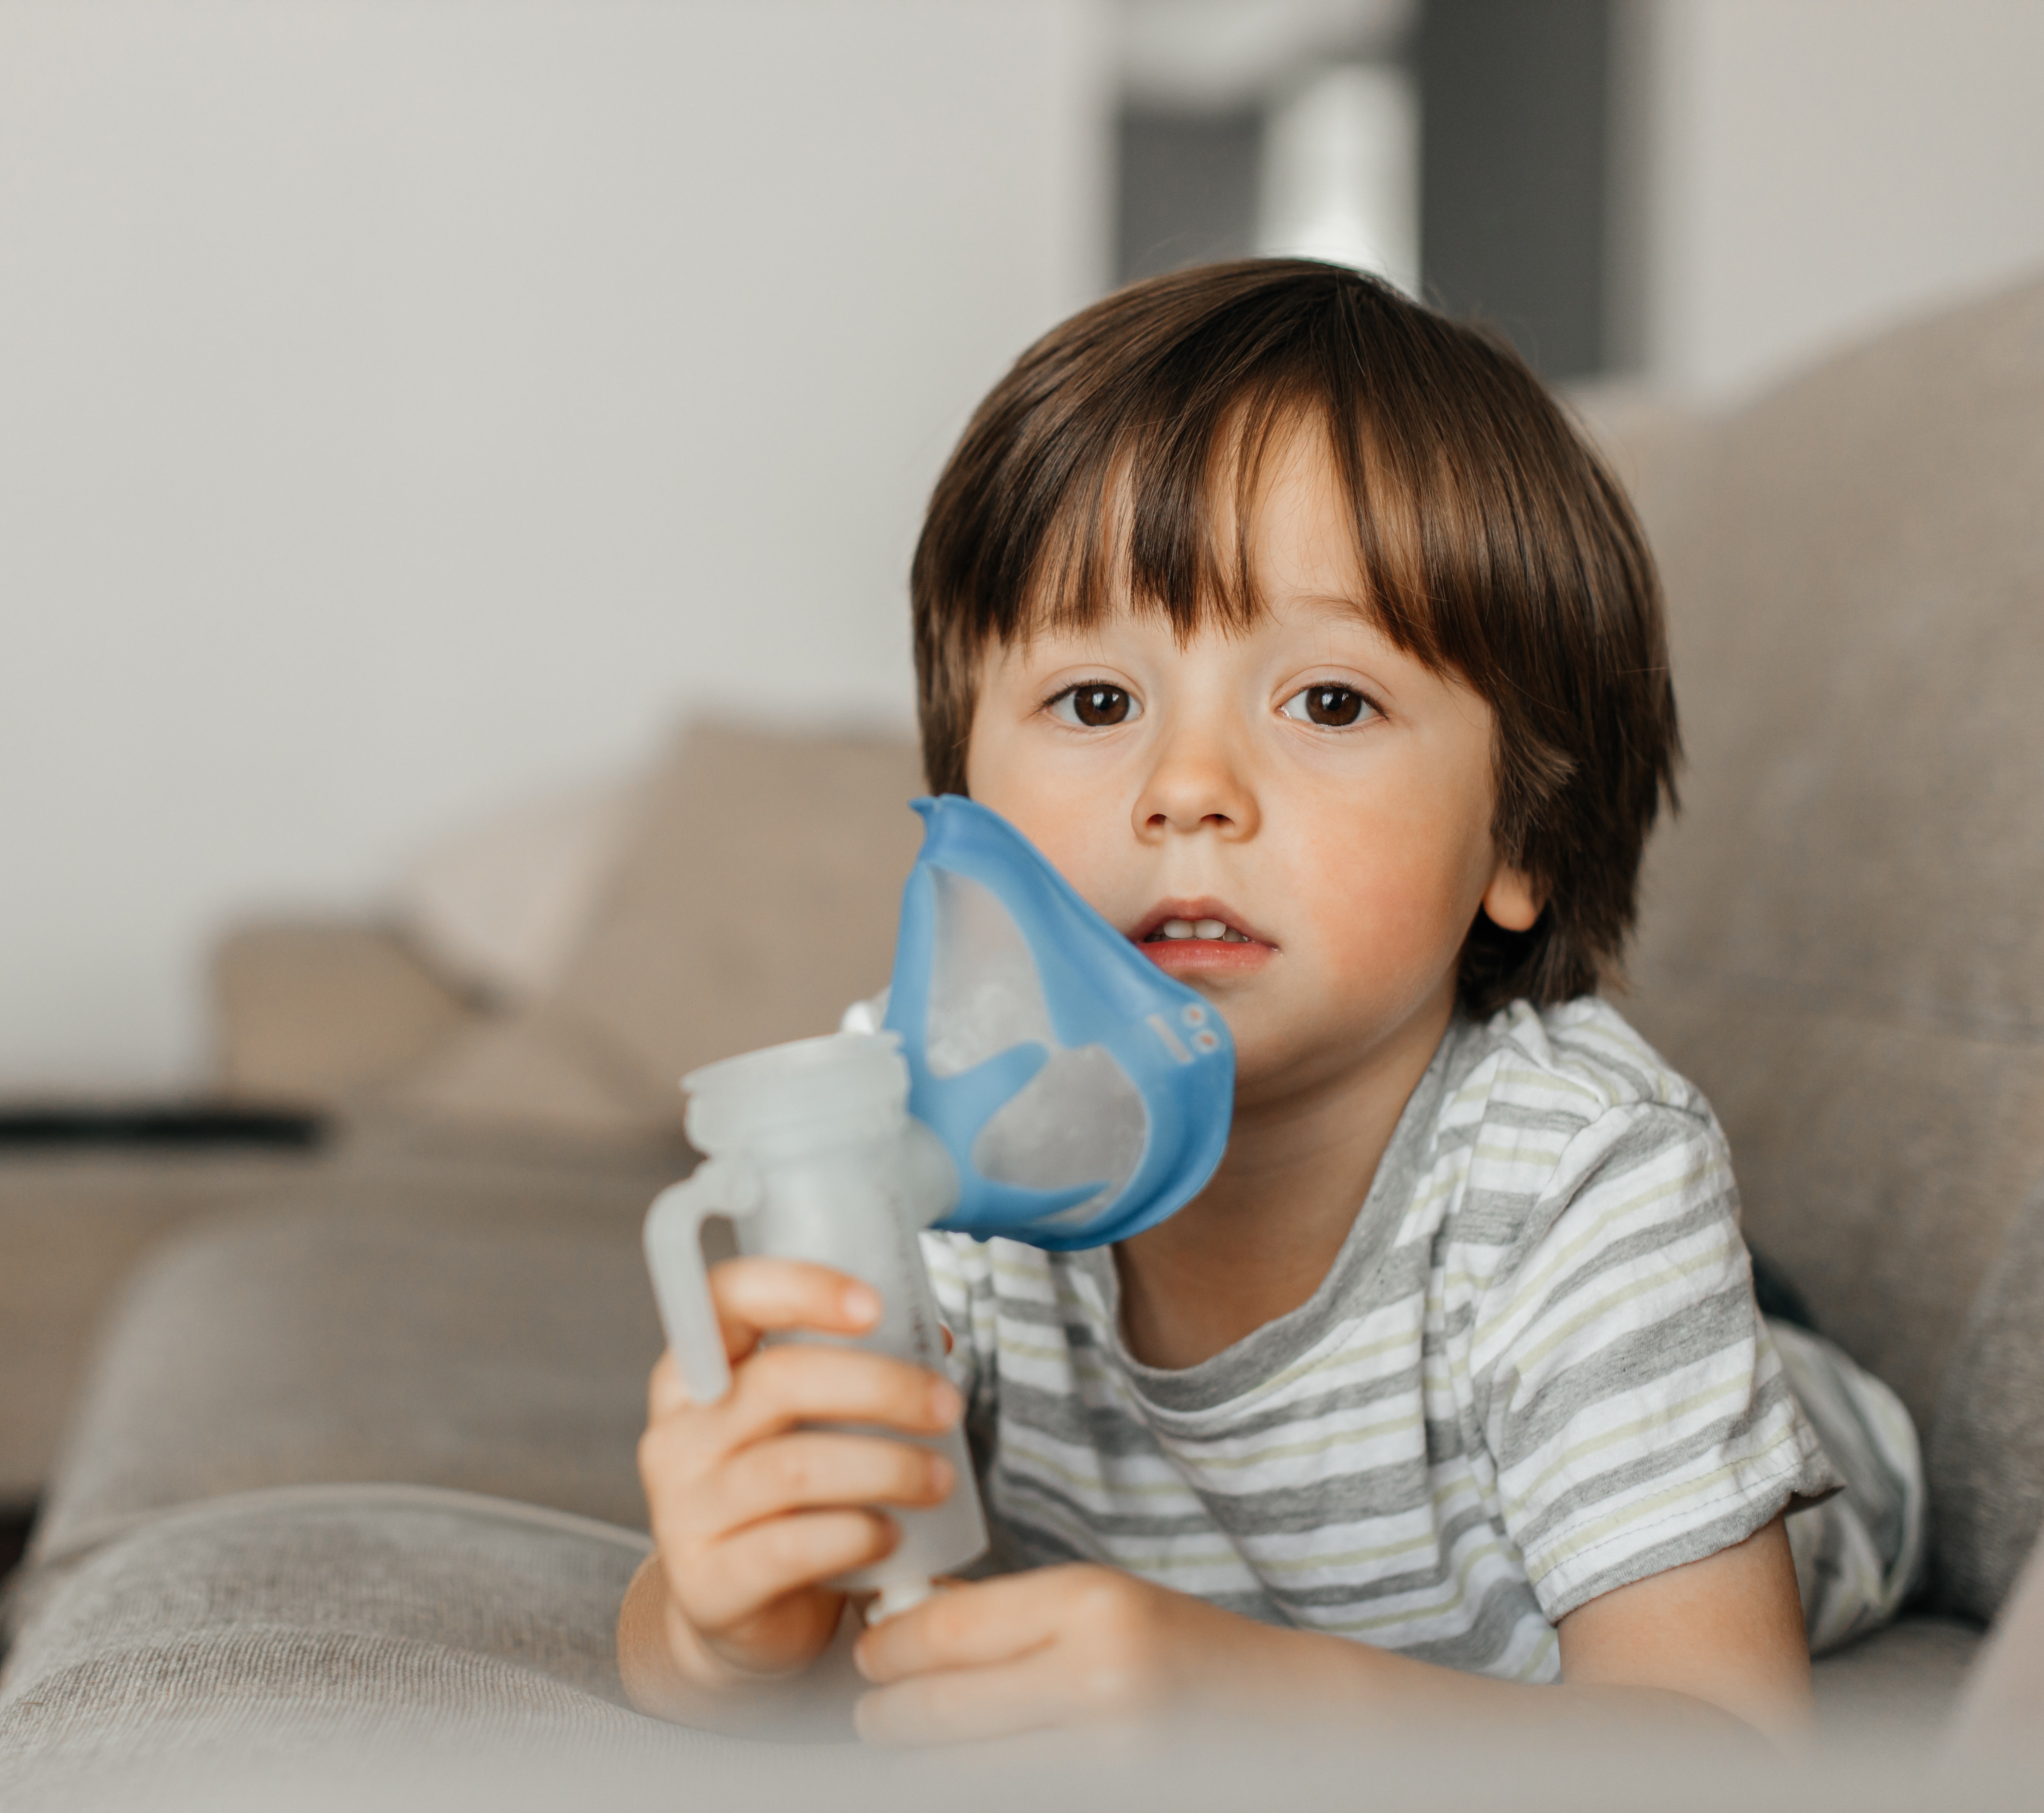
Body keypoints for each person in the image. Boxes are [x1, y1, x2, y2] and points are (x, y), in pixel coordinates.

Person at [616, 259, 1840, 1747]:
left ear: (1519, 837)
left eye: (1328, 703)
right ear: (963, 807)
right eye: (1096, 703)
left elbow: (1729, 1748)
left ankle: (1772, 1343)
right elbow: (768, 1630)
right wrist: (722, 1625)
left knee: (1730, 1393)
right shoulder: (925, 1132)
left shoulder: (1583, 1178)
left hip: (1668, 1405)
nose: (1186, 790)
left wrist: (1254, 1704)